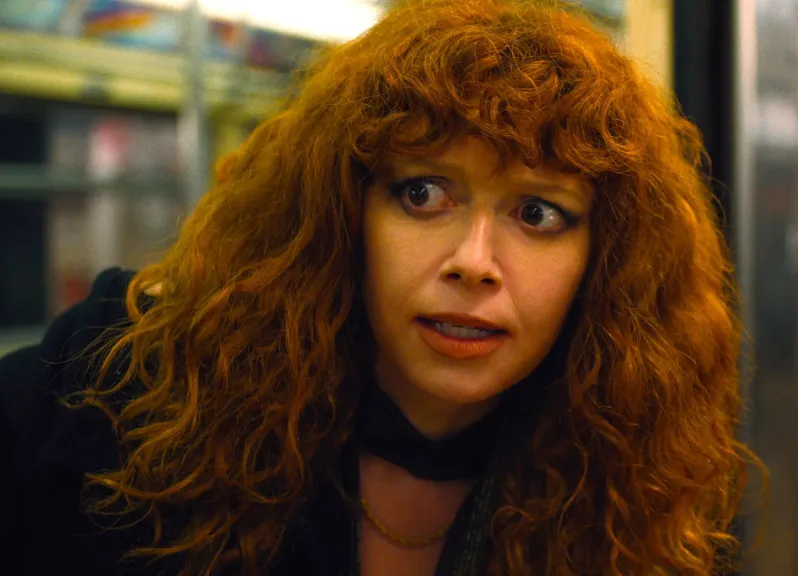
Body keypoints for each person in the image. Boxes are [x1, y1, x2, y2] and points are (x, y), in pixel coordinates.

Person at [0, 0, 753, 574]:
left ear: (604, 258)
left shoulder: (627, 493)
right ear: (343, 213)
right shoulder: (120, 391)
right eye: (423, 194)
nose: (473, 262)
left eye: (537, 213)